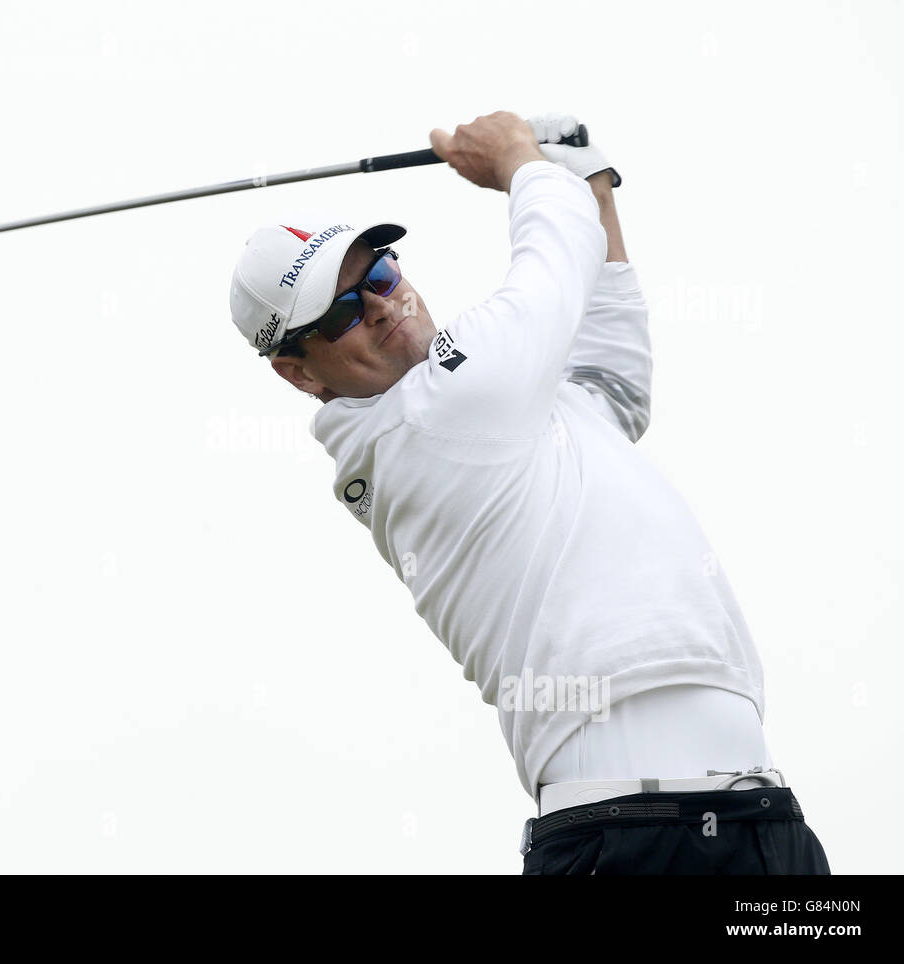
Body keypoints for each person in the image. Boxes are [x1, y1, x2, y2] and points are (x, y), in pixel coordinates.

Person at [227, 111, 831, 874]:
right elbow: (555, 255)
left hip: (761, 821)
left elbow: (611, 388)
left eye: (379, 273)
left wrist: (594, 189)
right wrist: (520, 163)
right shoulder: (436, 412)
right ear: (301, 372)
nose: (381, 305)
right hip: (632, 839)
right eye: (343, 311)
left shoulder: (496, 410)